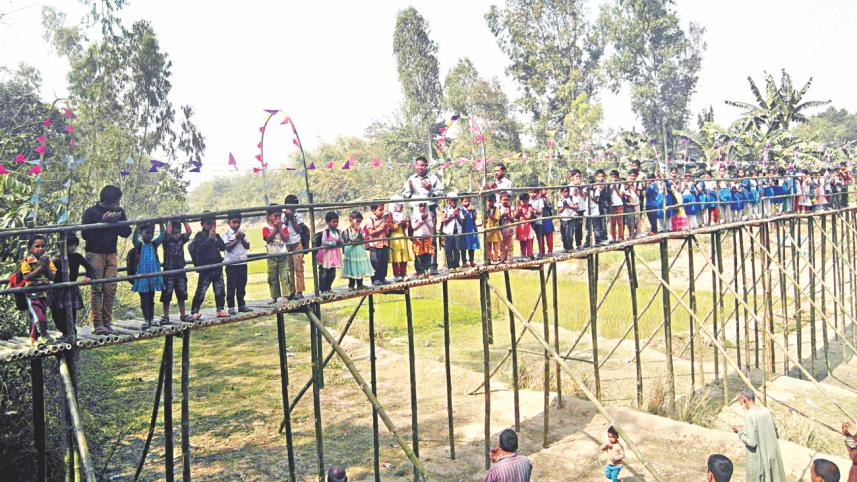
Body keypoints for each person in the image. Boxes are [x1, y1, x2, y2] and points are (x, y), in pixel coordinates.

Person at [81, 185, 132, 335]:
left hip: (112, 253)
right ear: (108, 200)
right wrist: (102, 222)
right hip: (94, 253)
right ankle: (98, 324)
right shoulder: (90, 212)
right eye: (116, 201)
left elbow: (126, 232)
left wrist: (118, 220)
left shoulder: (119, 211)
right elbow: (85, 235)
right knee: (97, 288)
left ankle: (108, 322)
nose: (117, 204)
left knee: (110, 288)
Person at [731, 388, 786, 482]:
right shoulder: (766, 411)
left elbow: (752, 442)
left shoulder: (749, 416)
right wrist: (745, 429)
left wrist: (739, 433)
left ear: (744, 400)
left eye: (740, 401)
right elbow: (773, 431)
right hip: (772, 455)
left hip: (759, 459)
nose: (740, 404)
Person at [402, 156, 444, 274]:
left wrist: (431, 189)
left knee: (431, 237)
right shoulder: (411, 179)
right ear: (415, 166)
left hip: (429, 209)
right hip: (415, 211)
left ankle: (432, 266)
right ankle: (419, 268)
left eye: (423, 165)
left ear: (427, 166)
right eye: (418, 165)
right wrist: (409, 190)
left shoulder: (433, 178)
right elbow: (405, 194)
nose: (420, 167)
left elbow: (441, 193)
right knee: (417, 238)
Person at [51, 234, 93, 341]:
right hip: (59, 289)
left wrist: (88, 276)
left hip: (72, 287)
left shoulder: (77, 257)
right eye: (70, 245)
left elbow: (88, 267)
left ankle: (71, 332)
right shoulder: (56, 259)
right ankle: (64, 332)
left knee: (71, 312)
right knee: (57, 313)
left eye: (74, 245)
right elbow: (50, 274)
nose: (72, 247)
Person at [19, 235, 56, 345]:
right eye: (37, 246)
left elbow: (52, 276)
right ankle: (44, 335)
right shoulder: (26, 261)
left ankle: (34, 339)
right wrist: (41, 267)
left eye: (43, 246)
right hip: (32, 294)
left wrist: (46, 266)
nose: (40, 248)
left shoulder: (48, 261)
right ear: (31, 248)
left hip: (45, 294)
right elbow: (28, 277)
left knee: (40, 316)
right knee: (40, 318)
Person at [189, 213, 227, 320]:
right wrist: (210, 239)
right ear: (202, 224)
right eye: (208, 223)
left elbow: (223, 247)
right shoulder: (199, 236)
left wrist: (215, 238)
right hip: (205, 268)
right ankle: (195, 311)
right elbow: (199, 248)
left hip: (217, 267)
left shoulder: (217, 236)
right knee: (201, 290)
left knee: (220, 290)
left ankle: (220, 309)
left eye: (213, 223)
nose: (211, 226)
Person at [131, 223, 166, 329]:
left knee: (151, 298)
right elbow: (134, 240)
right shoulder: (140, 245)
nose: (150, 236)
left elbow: (162, 236)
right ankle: (146, 319)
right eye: (147, 233)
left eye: (151, 233)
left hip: (153, 276)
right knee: (144, 299)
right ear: (141, 233)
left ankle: (151, 318)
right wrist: (137, 227)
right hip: (142, 276)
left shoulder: (154, 244)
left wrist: (161, 224)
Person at [161, 219, 193, 323]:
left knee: (181, 294)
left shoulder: (181, 239)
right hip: (169, 271)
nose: (177, 234)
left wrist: (184, 221)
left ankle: (183, 314)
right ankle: (166, 316)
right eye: (174, 232)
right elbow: (167, 234)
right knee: (167, 295)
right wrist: (170, 220)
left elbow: (189, 232)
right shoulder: (166, 241)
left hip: (180, 270)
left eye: (178, 231)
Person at [222, 211, 251, 315]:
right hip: (231, 265)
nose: (237, 224)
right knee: (231, 286)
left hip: (242, 263)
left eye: (239, 222)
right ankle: (230, 306)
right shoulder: (226, 234)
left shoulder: (243, 233)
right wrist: (236, 239)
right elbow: (227, 248)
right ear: (228, 222)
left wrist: (242, 239)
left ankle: (242, 305)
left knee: (242, 285)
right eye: (234, 222)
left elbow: (247, 246)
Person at [262, 205, 292, 303]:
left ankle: (285, 295)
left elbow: (286, 238)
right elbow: (268, 239)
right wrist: (275, 229)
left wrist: (279, 228)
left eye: (279, 216)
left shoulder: (283, 227)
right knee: (273, 277)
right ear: (269, 216)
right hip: (271, 256)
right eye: (275, 216)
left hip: (283, 255)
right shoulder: (266, 228)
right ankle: (274, 296)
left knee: (284, 276)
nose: (278, 218)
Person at [282, 194, 308, 299]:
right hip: (287, 244)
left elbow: (298, 230)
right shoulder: (283, 215)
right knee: (289, 269)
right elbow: (283, 226)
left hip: (297, 243)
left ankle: (300, 291)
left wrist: (292, 218)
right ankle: (291, 291)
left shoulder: (298, 216)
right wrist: (287, 217)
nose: (292, 208)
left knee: (299, 268)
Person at [341, 211, 374, 290]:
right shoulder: (347, 231)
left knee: (360, 267)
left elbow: (363, 238)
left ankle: (360, 284)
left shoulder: (360, 229)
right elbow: (351, 240)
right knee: (351, 268)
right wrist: (357, 235)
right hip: (351, 252)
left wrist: (359, 235)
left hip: (359, 251)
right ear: (351, 219)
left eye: (360, 221)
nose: (358, 223)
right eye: (357, 221)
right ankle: (351, 285)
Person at [365, 203, 392, 285]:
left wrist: (387, 227)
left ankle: (382, 278)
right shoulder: (371, 220)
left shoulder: (383, 219)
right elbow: (370, 232)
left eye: (383, 209)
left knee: (384, 262)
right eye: (380, 210)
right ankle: (375, 279)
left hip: (384, 244)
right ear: (373, 211)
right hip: (375, 244)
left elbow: (387, 233)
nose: (382, 212)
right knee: (375, 263)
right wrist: (381, 228)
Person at [317, 211, 343, 294]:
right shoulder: (326, 232)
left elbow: (340, 240)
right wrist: (333, 243)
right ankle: (323, 289)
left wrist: (340, 242)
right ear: (328, 222)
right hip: (326, 255)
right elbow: (324, 242)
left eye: (337, 222)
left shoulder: (337, 231)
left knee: (332, 273)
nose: (336, 224)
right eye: (334, 222)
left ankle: (328, 287)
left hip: (334, 255)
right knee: (324, 272)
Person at [388, 196, 412, 281]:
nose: (400, 206)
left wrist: (406, 223)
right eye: (397, 204)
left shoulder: (404, 214)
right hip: (394, 238)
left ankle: (403, 273)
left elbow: (406, 228)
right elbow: (391, 227)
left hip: (403, 237)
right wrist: (398, 223)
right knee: (396, 256)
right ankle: (396, 274)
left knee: (404, 255)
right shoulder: (390, 215)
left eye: (401, 204)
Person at [410, 202, 435, 276]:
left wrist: (426, 220)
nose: (422, 208)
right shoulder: (414, 216)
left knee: (427, 255)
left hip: (427, 237)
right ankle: (420, 272)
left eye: (424, 206)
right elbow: (414, 227)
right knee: (418, 256)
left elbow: (431, 226)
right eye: (420, 206)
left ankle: (426, 271)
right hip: (418, 238)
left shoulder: (428, 216)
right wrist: (421, 220)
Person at [441, 192, 464, 270]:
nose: (454, 201)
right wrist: (452, 216)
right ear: (448, 201)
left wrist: (457, 216)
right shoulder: (446, 209)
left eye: (455, 200)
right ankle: (450, 266)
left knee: (457, 249)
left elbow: (462, 222)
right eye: (452, 200)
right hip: (448, 232)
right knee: (448, 250)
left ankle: (457, 265)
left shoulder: (459, 209)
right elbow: (444, 220)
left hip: (457, 232)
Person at [460, 194, 480, 267]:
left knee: (472, 246)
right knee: (464, 246)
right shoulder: (461, 210)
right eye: (465, 201)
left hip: (472, 229)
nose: (467, 203)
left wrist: (472, 212)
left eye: (469, 201)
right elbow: (462, 219)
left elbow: (474, 218)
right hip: (464, 230)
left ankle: (471, 261)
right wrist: (468, 211)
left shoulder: (473, 209)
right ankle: (464, 262)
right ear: (461, 202)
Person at [607, 170, 625, 243]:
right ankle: (613, 237)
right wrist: (612, 187)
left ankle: (620, 237)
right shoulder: (608, 185)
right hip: (612, 205)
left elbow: (620, 195)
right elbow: (608, 194)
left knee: (620, 222)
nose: (613, 178)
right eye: (612, 177)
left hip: (619, 204)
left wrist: (616, 187)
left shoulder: (621, 185)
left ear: (617, 177)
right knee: (612, 223)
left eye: (615, 177)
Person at [515, 193, 534, 260]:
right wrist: (518, 212)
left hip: (527, 226)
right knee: (522, 241)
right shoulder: (518, 207)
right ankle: (523, 255)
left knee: (528, 241)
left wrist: (522, 213)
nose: (524, 203)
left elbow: (528, 217)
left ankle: (529, 255)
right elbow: (516, 216)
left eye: (526, 201)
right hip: (520, 226)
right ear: (520, 201)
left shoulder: (529, 207)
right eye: (523, 201)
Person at [484, 193, 501, 263]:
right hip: (487, 230)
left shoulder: (496, 209)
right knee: (488, 245)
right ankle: (489, 258)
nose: (490, 202)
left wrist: (489, 215)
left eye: (492, 201)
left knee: (495, 245)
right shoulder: (484, 210)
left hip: (494, 230)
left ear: (495, 201)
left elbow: (496, 219)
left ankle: (495, 258)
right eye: (489, 201)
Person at [498, 192, 515, 262]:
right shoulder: (499, 208)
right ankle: (502, 258)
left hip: (509, 228)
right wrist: (502, 216)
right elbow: (497, 218)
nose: (505, 201)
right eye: (504, 200)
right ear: (500, 200)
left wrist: (508, 216)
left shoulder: (510, 208)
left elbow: (513, 219)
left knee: (510, 244)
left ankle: (510, 258)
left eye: (507, 200)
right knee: (501, 245)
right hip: (501, 229)